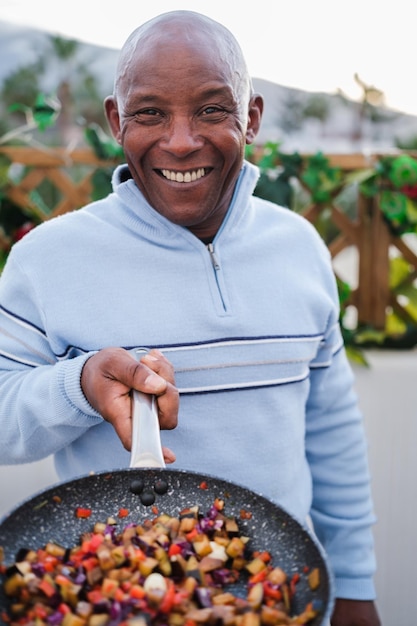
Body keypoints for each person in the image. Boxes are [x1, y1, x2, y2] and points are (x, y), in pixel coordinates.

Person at [0, 10, 380, 626]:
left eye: (211, 109)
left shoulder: (301, 247)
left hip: (276, 598)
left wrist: (355, 584)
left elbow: (330, 431)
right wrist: (79, 383)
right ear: (116, 121)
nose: (180, 141)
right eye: (150, 112)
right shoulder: (46, 259)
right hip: (116, 598)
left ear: (250, 118)